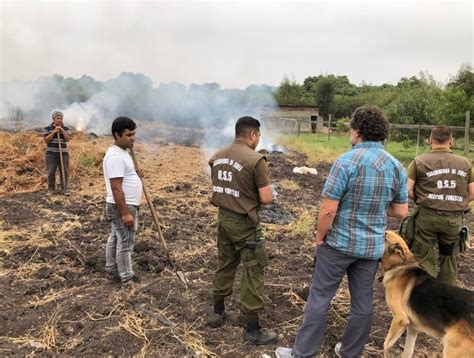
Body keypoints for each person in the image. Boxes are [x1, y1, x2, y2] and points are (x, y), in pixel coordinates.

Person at [276, 105, 408, 358]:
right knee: (362, 303)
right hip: (370, 249)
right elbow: (401, 212)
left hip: (339, 244)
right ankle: (350, 352)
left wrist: (320, 236)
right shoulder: (396, 166)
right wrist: (377, 207)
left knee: (320, 297)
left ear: (357, 131)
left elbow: (328, 210)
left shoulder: (345, 162)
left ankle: (302, 353)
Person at [207, 116, 278, 345]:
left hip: (223, 219)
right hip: (245, 224)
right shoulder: (256, 160)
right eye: (258, 136)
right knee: (253, 270)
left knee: (225, 263)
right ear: (252, 135)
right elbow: (266, 198)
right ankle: (252, 329)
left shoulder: (218, 155)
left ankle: (217, 311)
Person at [407, 125, 474, 286]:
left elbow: (407, 189)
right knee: (449, 257)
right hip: (454, 219)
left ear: (430, 140)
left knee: (423, 255)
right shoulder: (465, 163)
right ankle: (446, 295)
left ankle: (427, 292)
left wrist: (419, 198)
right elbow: (472, 192)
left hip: (426, 217)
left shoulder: (419, 161)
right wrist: (460, 205)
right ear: (451, 141)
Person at [103, 116, 143, 285]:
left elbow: (124, 177)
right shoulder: (115, 157)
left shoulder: (124, 152)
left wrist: (135, 175)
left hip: (124, 205)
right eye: (128, 135)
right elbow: (116, 187)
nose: (132, 138)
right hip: (122, 206)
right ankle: (127, 278)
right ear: (116, 135)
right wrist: (125, 212)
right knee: (125, 242)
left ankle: (112, 270)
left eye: (134, 134)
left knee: (116, 237)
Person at [42, 110, 71, 195]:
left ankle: (64, 189)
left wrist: (62, 130)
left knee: (64, 172)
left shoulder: (66, 128)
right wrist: (54, 132)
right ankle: (51, 189)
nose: (60, 120)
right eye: (58, 118)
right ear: (53, 119)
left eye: (61, 118)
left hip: (63, 153)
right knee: (51, 172)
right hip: (51, 154)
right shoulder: (47, 128)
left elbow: (68, 139)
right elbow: (46, 140)